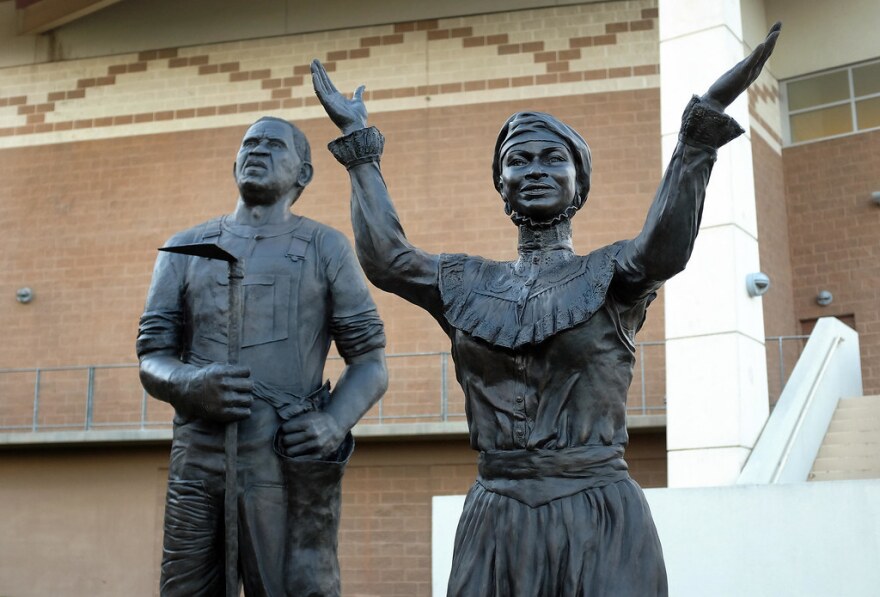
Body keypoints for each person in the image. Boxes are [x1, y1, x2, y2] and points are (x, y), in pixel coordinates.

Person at [311, 22, 780, 597]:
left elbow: (666, 246)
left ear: (578, 182)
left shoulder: (616, 273)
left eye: (551, 158)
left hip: (598, 514)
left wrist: (699, 130)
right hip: (497, 517)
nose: (533, 169)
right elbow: (388, 259)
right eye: (518, 161)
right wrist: (360, 147)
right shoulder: (464, 281)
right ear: (501, 185)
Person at [137, 116, 388, 596]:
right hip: (198, 460)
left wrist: (333, 423)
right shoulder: (185, 249)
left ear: (304, 175)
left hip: (283, 458)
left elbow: (371, 362)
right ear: (234, 162)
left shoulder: (325, 247)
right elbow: (152, 355)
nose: (258, 150)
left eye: (275, 145)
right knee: (185, 589)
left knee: (288, 588)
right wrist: (189, 384)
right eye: (250, 143)